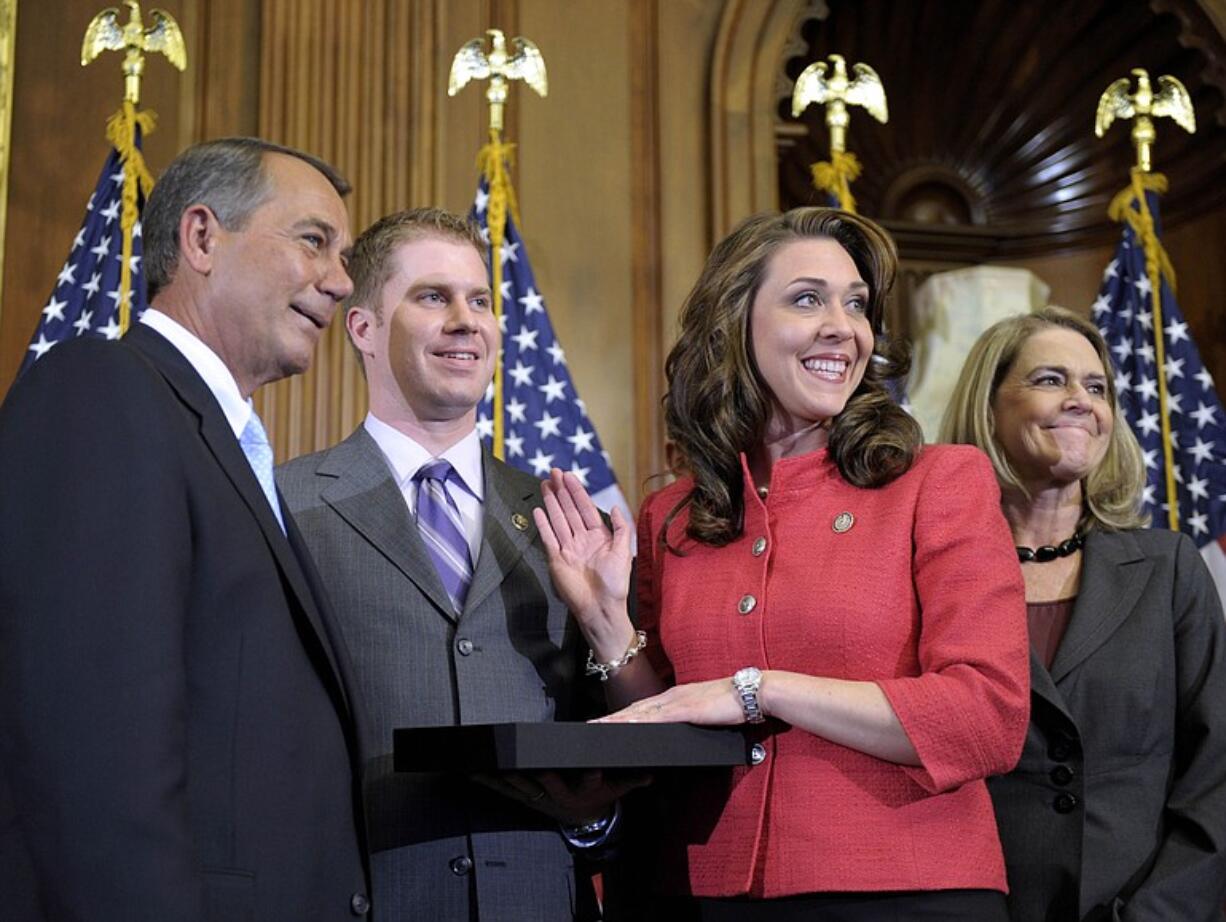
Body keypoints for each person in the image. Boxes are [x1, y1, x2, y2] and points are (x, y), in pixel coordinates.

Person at [535, 206, 1031, 920]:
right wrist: (605, 620)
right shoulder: (674, 514)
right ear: (734, 325)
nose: (843, 326)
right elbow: (667, 721)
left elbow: (988, 717)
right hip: (697, 890)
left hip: (904, 892)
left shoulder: (938, 482)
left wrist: (760, 689)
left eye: (856, 304)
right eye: (808, 299)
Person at [0, 138, 370, 919]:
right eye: (314, 242)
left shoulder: (224, 446)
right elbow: (95, 761)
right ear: (201, 238)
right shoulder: (101, 395)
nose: (340, 283)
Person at [276, 207, 639, 922]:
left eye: (479, 301)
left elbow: (626, 751)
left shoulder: (568, 520)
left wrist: (593, 822)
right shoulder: (285, 505)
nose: (466, 321)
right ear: (364, 328)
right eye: (432, 297)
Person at [941, 305, 1226, 922]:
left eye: (1096, 388)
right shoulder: (934, 572)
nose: (1081, 401)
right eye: (1050, 380)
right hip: (973, 903)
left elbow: (1216, 775)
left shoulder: (1168, 569)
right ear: (988, 408)